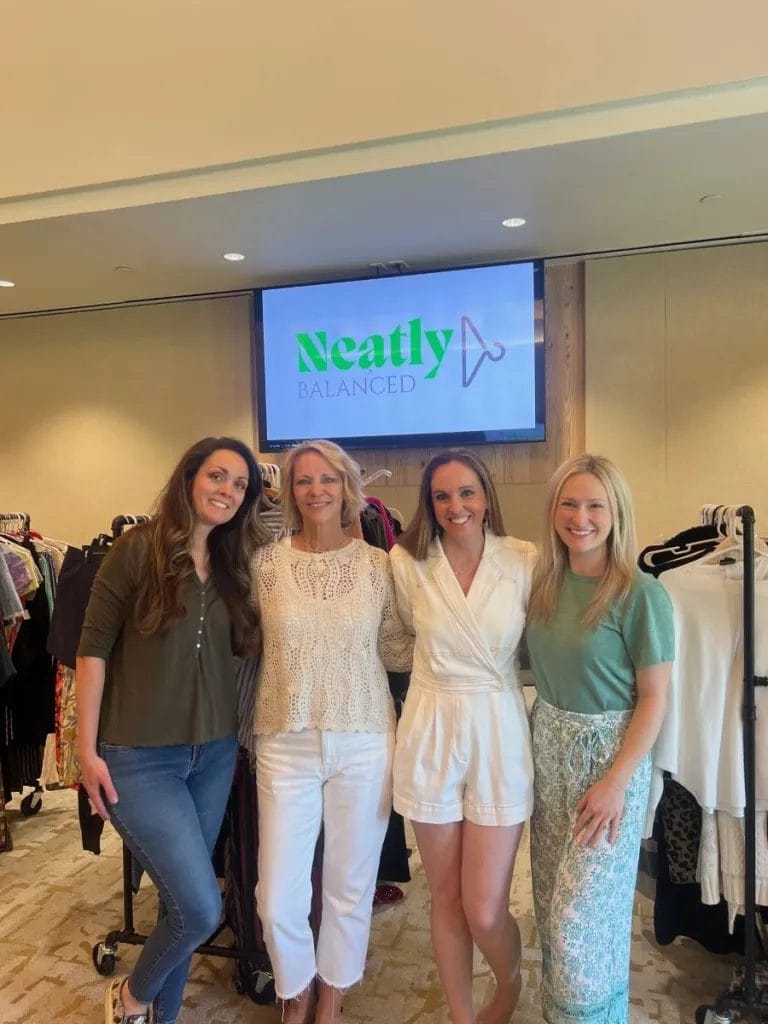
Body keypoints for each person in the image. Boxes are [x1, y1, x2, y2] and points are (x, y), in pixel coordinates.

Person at [76, 436, 268, 1024]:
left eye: (240, 485)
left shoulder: (236, 565)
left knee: (178, 906)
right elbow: (91, 650)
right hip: (138, 758)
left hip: (212, 754)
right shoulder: (137, 550)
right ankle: (130, 1000)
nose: (228, 492)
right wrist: (85, 751)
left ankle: (156, 1017)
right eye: (217, 476)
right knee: (200, 908)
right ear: (188, 479)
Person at [251, 439, 413, 1024]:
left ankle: (332, 995)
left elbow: (396, 648)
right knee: (276, 899)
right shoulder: (265, 564)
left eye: (327, 479)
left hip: (365, 738)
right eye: (303, 480)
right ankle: (294, 988)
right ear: (289, 492)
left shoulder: (379, 566)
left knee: (350, 886)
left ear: (348, 488)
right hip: (284, 739)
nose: (315, 490)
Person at [525, 454, 674, 1024]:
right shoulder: (544, 582)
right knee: (549, 907)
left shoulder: (640, 593)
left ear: (616, 513)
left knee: (578, 926)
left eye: (594, 505)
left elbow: (655, 698)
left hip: (609, 762)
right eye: (569, 503)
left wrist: (617, 782)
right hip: (549, 752)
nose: (580, 517)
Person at [389, 449, 536, 1024]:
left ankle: (510, 978)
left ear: (486, 495)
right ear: (429, 503)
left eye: (466, 492)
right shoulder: (407, 563)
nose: (456, 506)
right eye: (443, 496)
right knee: (445, 897)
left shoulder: (525, 560)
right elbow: (399, 637)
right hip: (430, 724)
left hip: (497, 726)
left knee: (483, 904)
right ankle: (460, 1014)